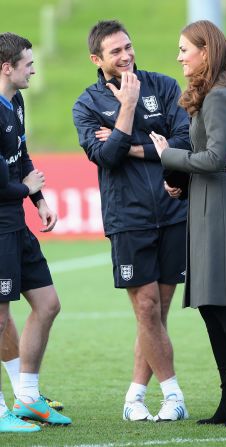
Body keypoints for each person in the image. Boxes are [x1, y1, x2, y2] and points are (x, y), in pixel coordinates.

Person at [150, 20, 226, 427]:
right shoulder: (213, 93)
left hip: (219, 206)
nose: (180, 56)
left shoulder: (220, 96)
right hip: (206, 200)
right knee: (210, 307)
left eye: (185, 48)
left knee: (223, 305)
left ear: (206, 51)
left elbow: (217, 159)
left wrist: (169, 156)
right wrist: (183, 183)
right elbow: (207, 157)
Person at [73, 20, 191, 422]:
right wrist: (126, 108)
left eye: (128, 47)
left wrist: (130, 146)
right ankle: (173, 394)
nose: (126, 56)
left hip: (174, 211)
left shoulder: (164, 86)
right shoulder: (87, 104)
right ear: (97, 60)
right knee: (146, 307)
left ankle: (134, 397)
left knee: (157, 313)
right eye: (115, 52)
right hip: (128, 218)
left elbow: (184, 141)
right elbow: (105, 158)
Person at [0, 32, 71, 432]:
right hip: (0, 227)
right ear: (6, 67)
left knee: (47, 304)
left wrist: (38, 199)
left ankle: (28, 398)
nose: (33, 68)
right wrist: (23, 190)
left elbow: (21, 156)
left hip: (17, 223)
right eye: (27, 62)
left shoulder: (17, 102)